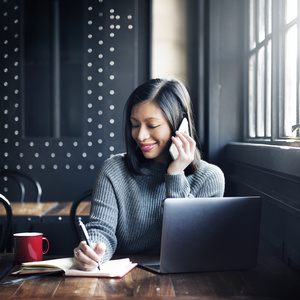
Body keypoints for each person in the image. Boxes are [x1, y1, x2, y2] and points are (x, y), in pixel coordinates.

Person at [73, 78, 225, 271]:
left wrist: (175, 175)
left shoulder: (210, 177)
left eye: (152, 125)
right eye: (134, 125)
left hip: (184, 281)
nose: (141, 136)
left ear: (180, 124)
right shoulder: (113, 170)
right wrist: (94, 251)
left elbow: (192, 246)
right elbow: (101, 229)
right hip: (123, 280)